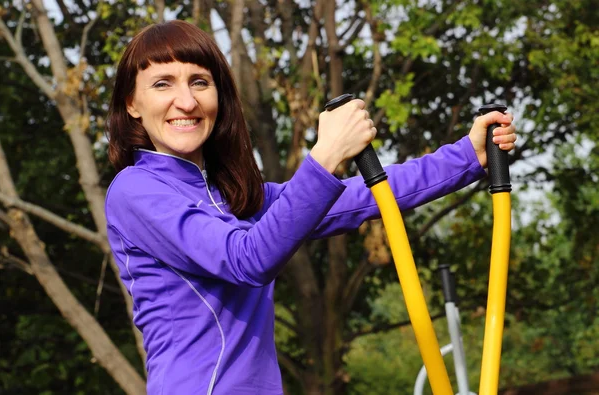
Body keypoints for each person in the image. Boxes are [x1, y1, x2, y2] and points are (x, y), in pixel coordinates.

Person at [105, 20, 517, 395]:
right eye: (162, 84)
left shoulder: (233, 196)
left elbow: (359, 197)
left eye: (199, 82)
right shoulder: (136, 191)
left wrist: (467, 155)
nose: (186, 101)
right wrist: (327, 153)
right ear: (132, 104)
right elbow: (245, 260)